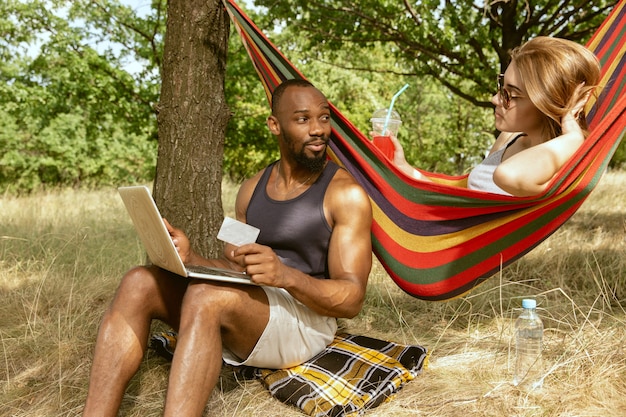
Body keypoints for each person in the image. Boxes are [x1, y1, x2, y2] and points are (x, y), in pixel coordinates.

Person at [82, 79, 373, 416]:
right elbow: (232, 268)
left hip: (307, 321)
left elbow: (352, 299)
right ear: (275, 126)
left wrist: (286, 276)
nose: (318, 129)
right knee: (139, 281)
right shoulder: (251, 189)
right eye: (303, 119)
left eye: (324, 118)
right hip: (256, 307)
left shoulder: (345, 195)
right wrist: (191, 259)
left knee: (206, 296)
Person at [389, 37, 601, 197]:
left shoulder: (562, 160)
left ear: (546, 105)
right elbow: (466, 196)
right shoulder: (508, 138)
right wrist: (406, 169)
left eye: (511, 94)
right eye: (501, 86)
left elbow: (509, 176)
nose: (494, 99)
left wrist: (573, 138)